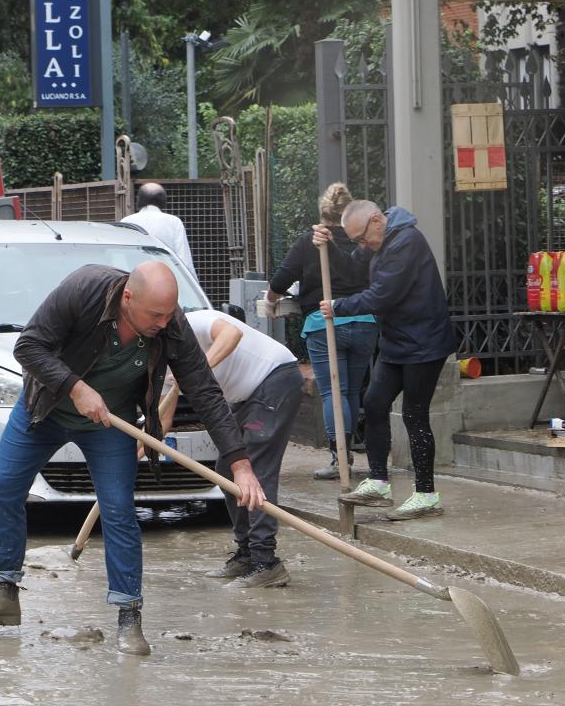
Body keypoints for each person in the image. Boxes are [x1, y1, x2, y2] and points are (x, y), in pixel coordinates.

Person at [0, 261, 265, 654]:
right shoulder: (83, 290)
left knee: (118, 511)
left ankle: (129, 618)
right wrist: (76, 387)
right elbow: (28, 346)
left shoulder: (171, 325)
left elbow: (204, 391)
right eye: (155, 314)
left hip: (110, 424)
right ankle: (4, 593)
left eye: (169, 313)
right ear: (127, 297)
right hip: (46, 408)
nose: (163, 322)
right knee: (2, 488)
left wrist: (240, 464)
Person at [313, 200, 457, 521]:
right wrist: (330, 245)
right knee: (375, 402)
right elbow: (352, 268)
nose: (362, 246)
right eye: (357, 241)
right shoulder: (378, 240)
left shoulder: (407, 242)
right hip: (395, 340)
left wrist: (339, 307)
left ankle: (426, 495)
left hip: (425, 342)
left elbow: (382, 295)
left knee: (414, 414)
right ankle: (378, 483)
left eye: (363, 239)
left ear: (377, 221)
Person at [156, 308, 303, 588]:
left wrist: (196, 371)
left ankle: (266, 562)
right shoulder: (158, 360)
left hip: (275, 378)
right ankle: (247, 553)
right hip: (247, 395)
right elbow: (163, 419)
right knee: (226, 470)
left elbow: (231, 334)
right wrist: (142, 444)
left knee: (255, 470)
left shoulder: (195, 322)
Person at [268, 183, 376, 480]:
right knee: (351, 390)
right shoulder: (364, 241)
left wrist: (269, 302)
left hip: (325, 323)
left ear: (323, 211)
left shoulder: (310, 242)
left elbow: (280, 281)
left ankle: (339, 457)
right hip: (364, 321)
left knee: (332, 391)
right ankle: (346, 449)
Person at [121, 183, 197, 280]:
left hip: (134, 280)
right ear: (163, 200)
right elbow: (184, 261)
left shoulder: (126, 222)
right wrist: (193, 288)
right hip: (165, 282)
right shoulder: (173, 222)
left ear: (139, 199)